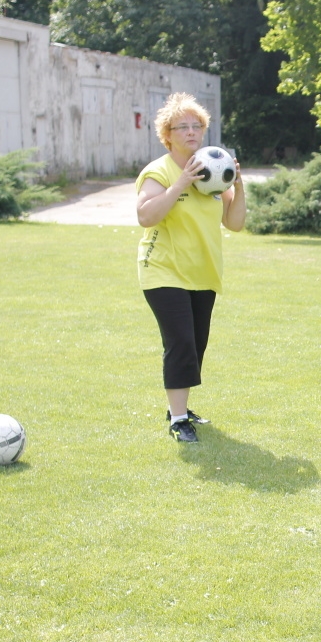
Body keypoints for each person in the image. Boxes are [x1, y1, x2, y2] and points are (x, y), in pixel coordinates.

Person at [135, 92, 246, 443]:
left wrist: (238, 185)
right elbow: (145, 215)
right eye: (181, 127)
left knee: (196, 343)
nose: (190, 132)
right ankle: (179, 420)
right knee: (181, 342)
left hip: (203, 271)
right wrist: (180, 182)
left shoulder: (215, 168)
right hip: (163, 270)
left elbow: (235, 223)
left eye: (197, 126)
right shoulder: (160, 171)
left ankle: (179, 407)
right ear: (167, 134)